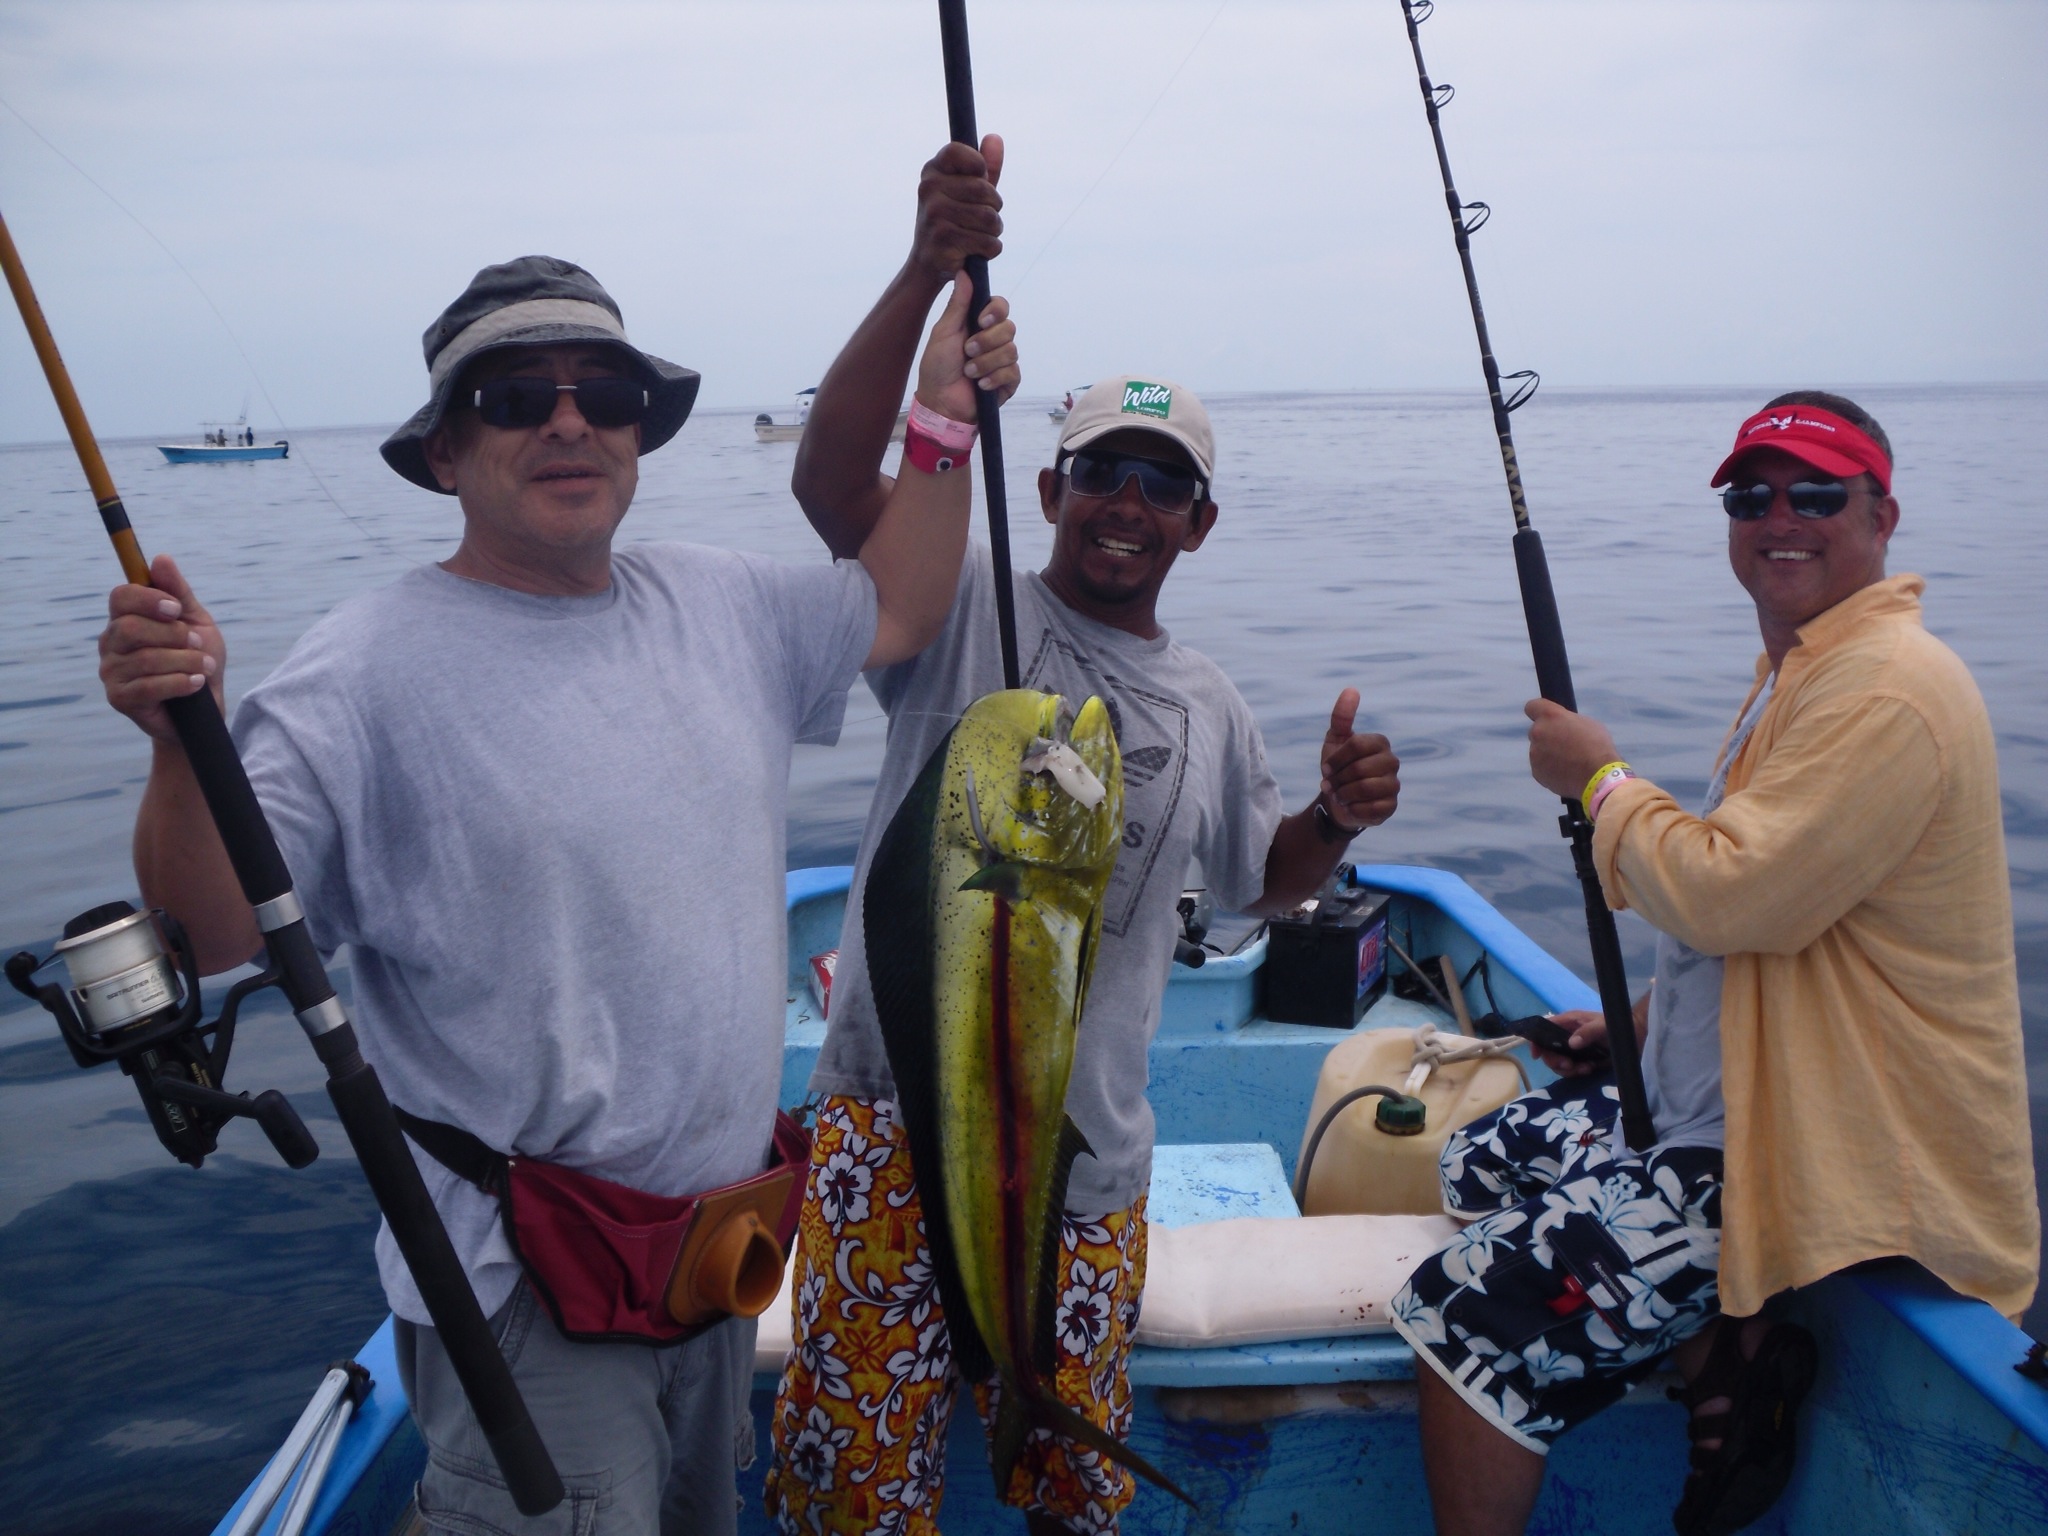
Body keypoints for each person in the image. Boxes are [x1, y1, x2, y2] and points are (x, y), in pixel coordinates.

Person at [94, 253, 1018, 1535]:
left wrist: (942, 416)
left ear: (642, 433)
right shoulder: (357, 674)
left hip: (715, 1257)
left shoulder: (723, 601)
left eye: (606, 392)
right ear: (443, 454)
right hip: (526, 1293)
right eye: (516, 394)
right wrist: (173, 741)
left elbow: (908, 603)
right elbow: (207, 934)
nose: (570, 419)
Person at [762, 137, 1404, 1536]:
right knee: (853, 1497)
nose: (1128, 500)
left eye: (1161, 482)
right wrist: (929, 270)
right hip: (897, 1125)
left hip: (1090, 1162)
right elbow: (829, 485)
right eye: (1101, 467)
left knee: (1074, 1494)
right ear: (1046, 488)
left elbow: (1261, 888)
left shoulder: (1213, 704)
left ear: (1202, 522)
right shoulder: (955, 605)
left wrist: (1333, 821)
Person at [1391, 392, 2038, 1536]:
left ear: (1881, 514)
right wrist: (1640, 1019)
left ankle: (1694, 1341)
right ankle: (1723, 1366)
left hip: (1809, 1152)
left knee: (1463, 1311)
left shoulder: (1886, 685)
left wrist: (1597, 783)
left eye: (1814, 494)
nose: (1777, 517)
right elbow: (1781, 910)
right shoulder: (1804, 669)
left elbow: (1730, 889)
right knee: (1483, 1161)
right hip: (1728, 1101)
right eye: (1751, 496)